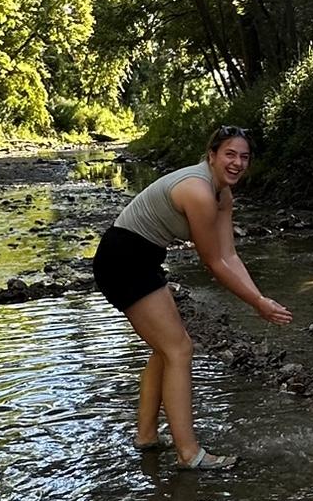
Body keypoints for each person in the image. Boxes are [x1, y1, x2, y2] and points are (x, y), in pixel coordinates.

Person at [91, 126, 293, 470]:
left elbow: (230, 255)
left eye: (244, 157)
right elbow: (213, 262)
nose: (238, 163)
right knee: (179, 349)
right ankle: (189, 454)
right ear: (211, 155)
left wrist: (259, 296)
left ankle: (146, 436)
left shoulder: (222, 194)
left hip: (141, 258)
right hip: (123, 259)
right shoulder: (199, 192)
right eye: (230, 154)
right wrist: (256, 304)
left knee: (167, 347)